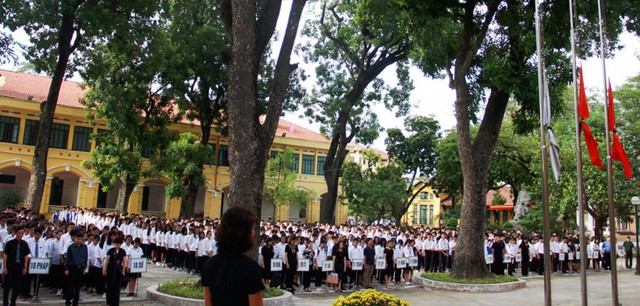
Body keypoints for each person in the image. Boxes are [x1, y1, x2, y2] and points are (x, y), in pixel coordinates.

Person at [201, 207, 264, 306]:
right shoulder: (251, 268)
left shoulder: (209, 264)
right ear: (243, 234)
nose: (253, 233)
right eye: (252, 229)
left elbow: (208, 303)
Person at [2, 226, 30, 306]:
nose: (20, 235)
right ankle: (5, 302)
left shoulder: (24, 243)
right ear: (15, 233)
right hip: (10, 265)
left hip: (19, 266)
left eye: (22, 233)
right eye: (19, 233)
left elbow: (26, 256)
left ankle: (13, 301)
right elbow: (5, 255)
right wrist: (5, 267)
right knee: (7, 286)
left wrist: (25, 267)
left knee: (17, 285)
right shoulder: (10, 243)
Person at [64, 231, 88, 306]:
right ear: (75, 238)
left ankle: (76, 301)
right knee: (70, 285)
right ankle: (68, 300)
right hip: (72, 268)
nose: (79, 241)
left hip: (80, 268)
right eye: (78, 239)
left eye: (81, 239)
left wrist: (84, 268)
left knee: (78, 286)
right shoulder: (70, 247)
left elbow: (85, 258)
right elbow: (67, 259)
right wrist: (66, 268)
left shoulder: (84, 247)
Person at [103, 237, 126, 306]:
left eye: (119, 244)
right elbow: (107, 261)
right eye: (116, 244)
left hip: (118, 271)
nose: (117, 245)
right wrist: (104, 269)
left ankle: (116, 302)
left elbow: (124, 262)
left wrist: (123, 270)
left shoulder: (122, 251)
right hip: (110, 270)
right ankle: (109, 302)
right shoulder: (110, 250)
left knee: (117, 287)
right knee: (109, 286)